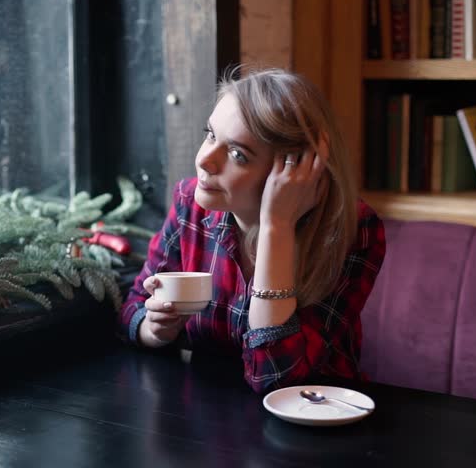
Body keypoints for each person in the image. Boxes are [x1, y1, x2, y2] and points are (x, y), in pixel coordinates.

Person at [118, 68, 386, 394]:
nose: (205, 161)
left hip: (316, 412)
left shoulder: (352, 231)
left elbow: (277, 377)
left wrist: (277, 227)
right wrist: (153, 329)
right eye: (210, 134)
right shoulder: (190, 203)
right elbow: (133, 308)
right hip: (206, 408)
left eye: (237, 155)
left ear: (297, 171)